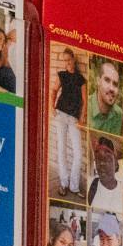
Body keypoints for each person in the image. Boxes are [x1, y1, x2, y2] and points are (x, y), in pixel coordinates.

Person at [50, 47, 86, 195]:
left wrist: (82, 117)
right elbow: (53, 90)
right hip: (61, 114)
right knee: (62, 149)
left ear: (73, 59)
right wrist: (52, 107)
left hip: (73, 118)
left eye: (69, 59)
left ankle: (74, 186)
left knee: (78, 153)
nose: (67, 63)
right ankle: (64, 183)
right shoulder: (62, 75)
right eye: (65, 60)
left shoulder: (80, 79)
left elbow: (84, 100)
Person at [89, 59, 123, 135]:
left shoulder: (119, 115)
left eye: (115, 84)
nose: (111, 88)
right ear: (98, 81)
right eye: (107, 80)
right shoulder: (86, 107)